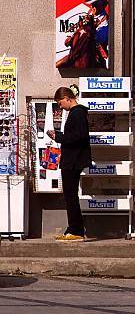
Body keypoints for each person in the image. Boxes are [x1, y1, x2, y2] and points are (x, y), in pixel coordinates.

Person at [47, 87, 92, 241]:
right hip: (72, 159)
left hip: (73, 161)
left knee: (70, 196)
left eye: (60, 103)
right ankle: (74, 229)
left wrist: (59, 137)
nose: (60, 107)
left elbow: (79, 137)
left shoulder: (77, 113)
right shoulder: (77, 113)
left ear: (67, 98)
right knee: (70, 195)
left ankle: (76, 230)